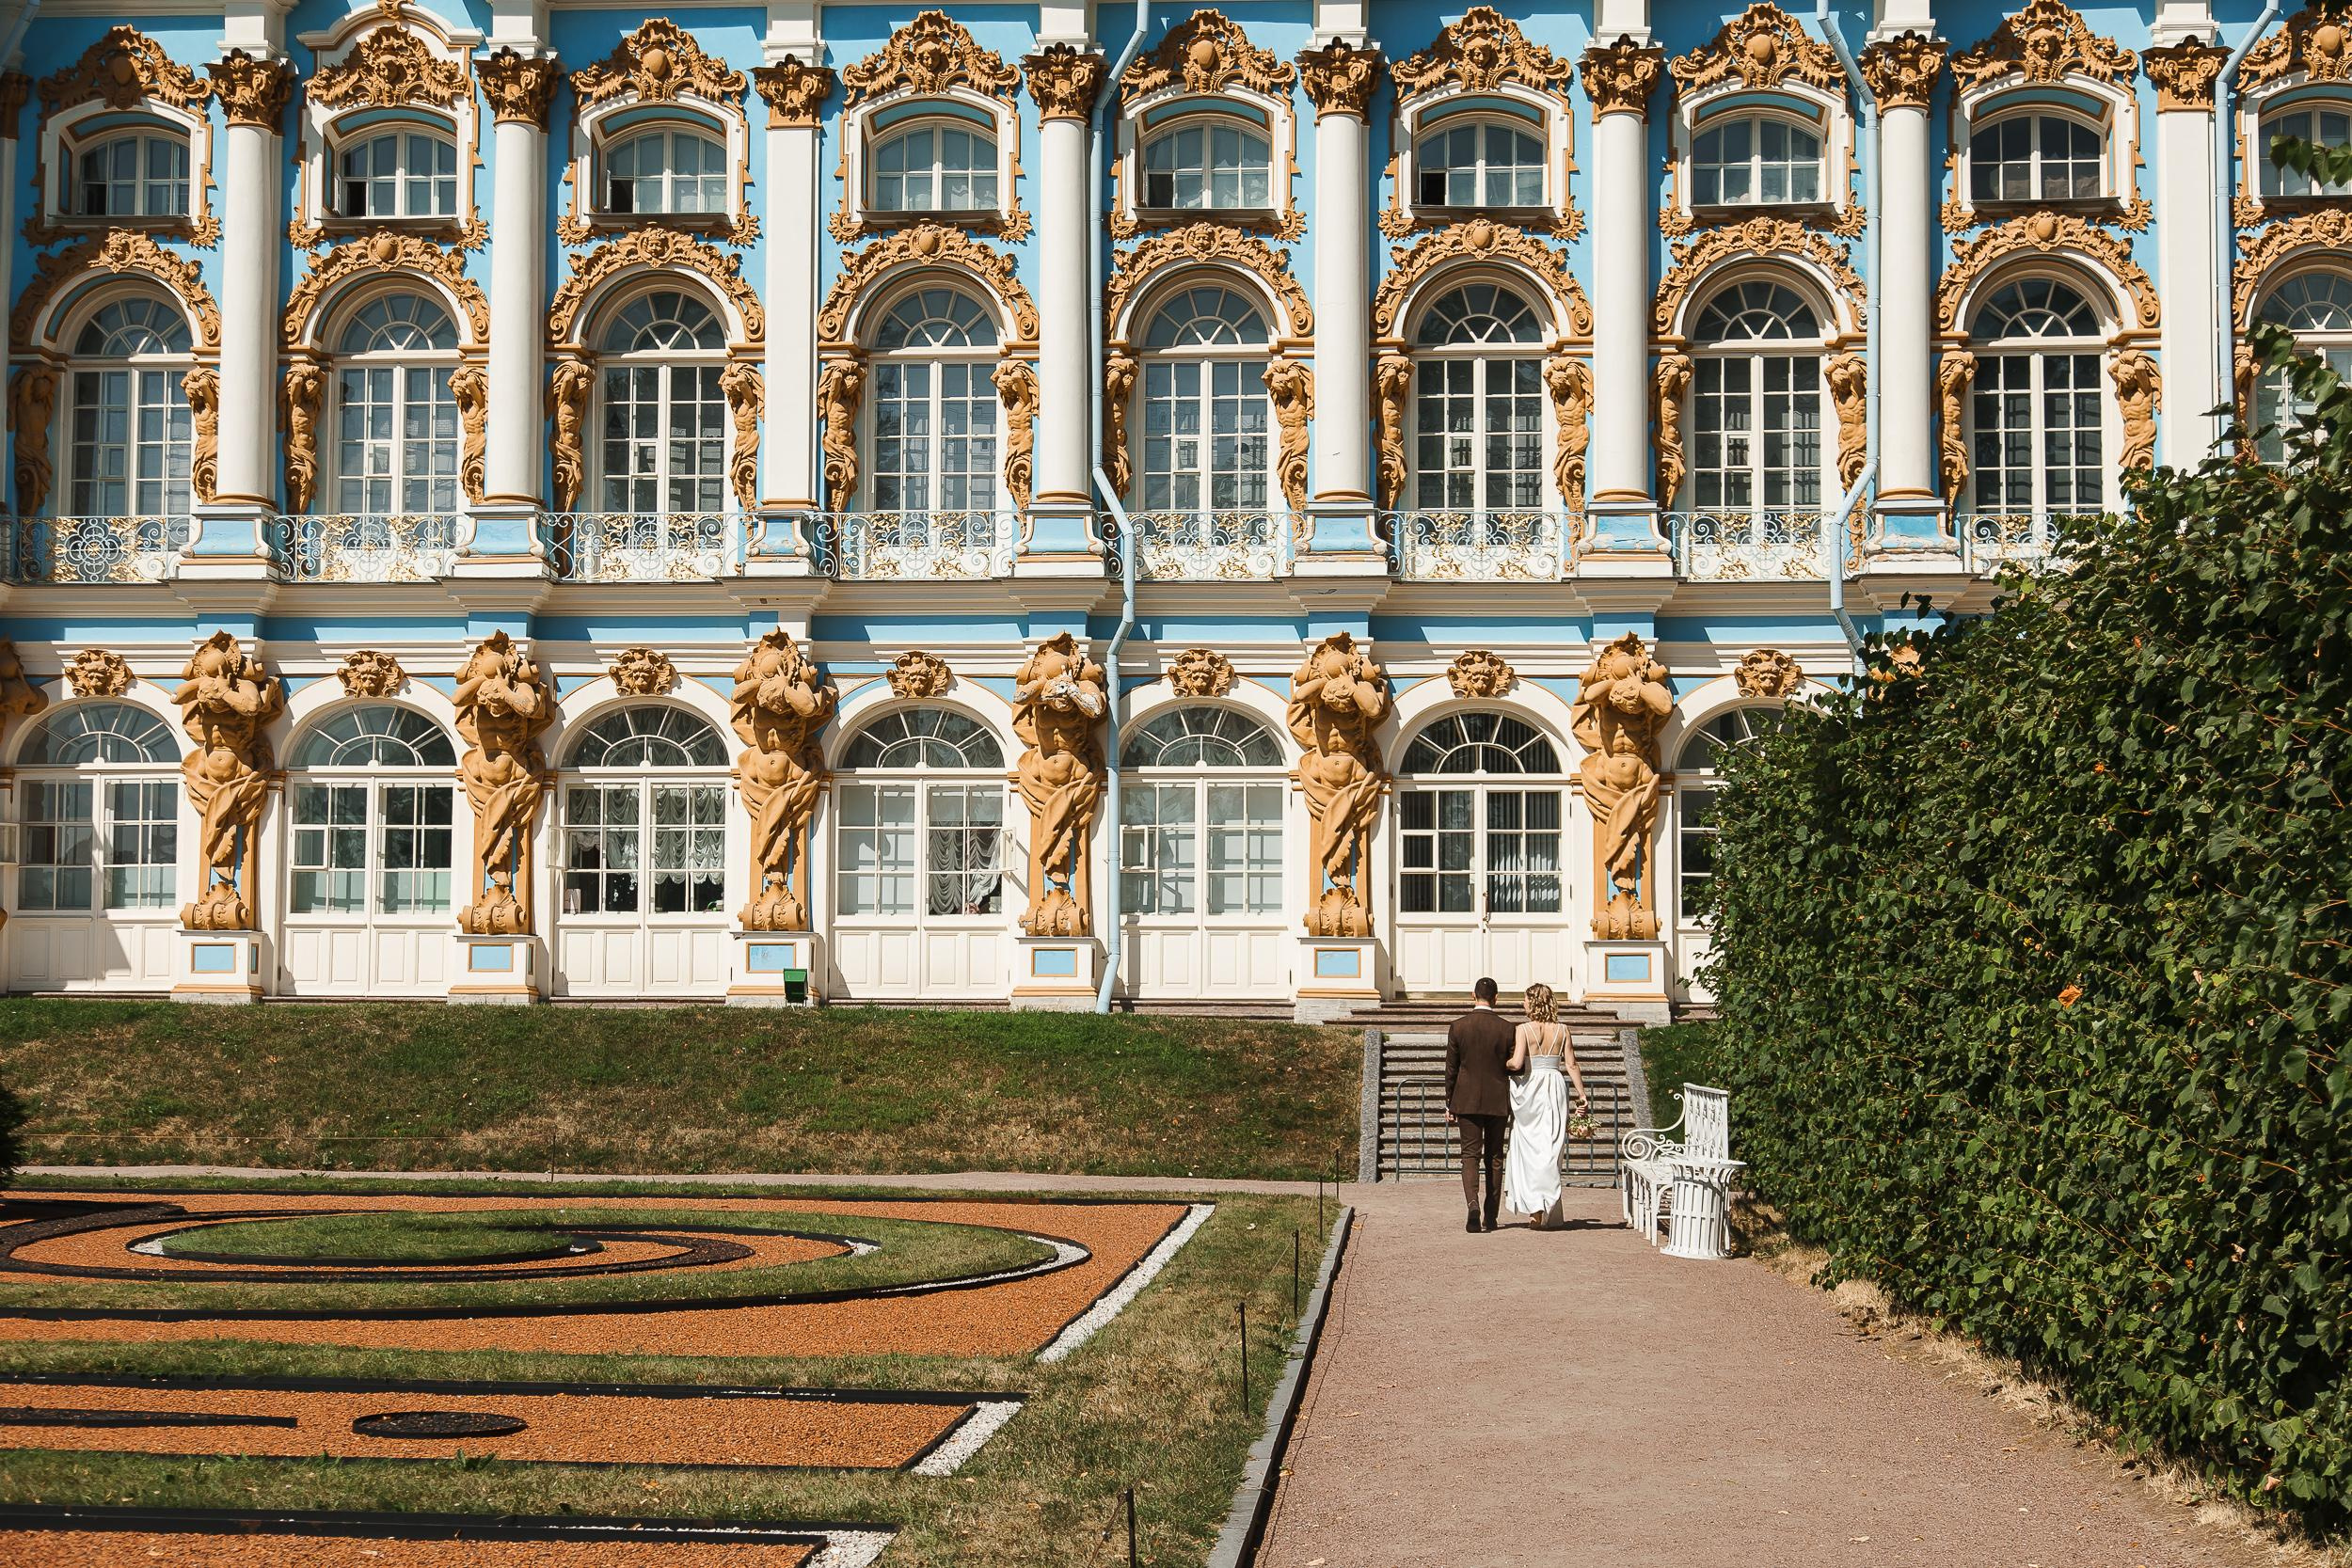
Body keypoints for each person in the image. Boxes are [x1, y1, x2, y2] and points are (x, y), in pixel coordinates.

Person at [1503, 983, 1588, 1230]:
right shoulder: (1563, 1030)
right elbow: (1571, 1065)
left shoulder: (1523, 1030)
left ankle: (1535, 1208)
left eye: (1526, 1000)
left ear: (1533, 1003)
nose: (1523, 1004)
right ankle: (1545, 1203)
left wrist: (1501, 1062)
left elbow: (1517, 1061)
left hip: (1530, 1087)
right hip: (1554, 1084)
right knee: (1551, 1148)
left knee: (1528, 1148)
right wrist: (1581, 1095)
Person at [1445, 976, 1515, 1233]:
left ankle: (1472, 1203)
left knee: (1469, 1156)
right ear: (1496, 999)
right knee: (1495, 1158)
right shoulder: (1508, 1028)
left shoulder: (1458, 1026)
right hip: (1497, 1100)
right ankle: (1492, 1215)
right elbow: (1513, 1066)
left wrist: (1449, 1103)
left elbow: (1451, 1069)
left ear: (1472, 996)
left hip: (1466, 1099)